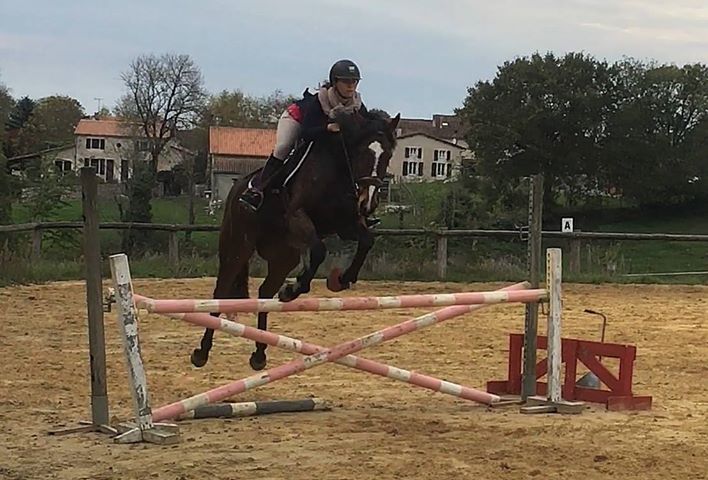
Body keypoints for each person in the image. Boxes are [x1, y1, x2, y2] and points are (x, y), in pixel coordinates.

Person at [238, 59, 368, 212]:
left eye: (354, 82)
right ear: (335, 82)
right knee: (283, 146)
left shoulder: (358, 106)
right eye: (346, 81)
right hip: (297, 119)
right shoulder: (320, 101)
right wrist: (326, 128)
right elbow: (306, 132)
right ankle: (257, 190)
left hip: (320, 132)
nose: (351, 86)